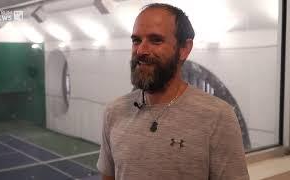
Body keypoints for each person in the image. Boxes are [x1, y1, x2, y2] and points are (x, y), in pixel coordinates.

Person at [97, 3, 249, 180]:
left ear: (184, 49)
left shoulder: (217, 116)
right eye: (136, 40)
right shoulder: (114, 112)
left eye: (156, 40)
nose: (141, 50)